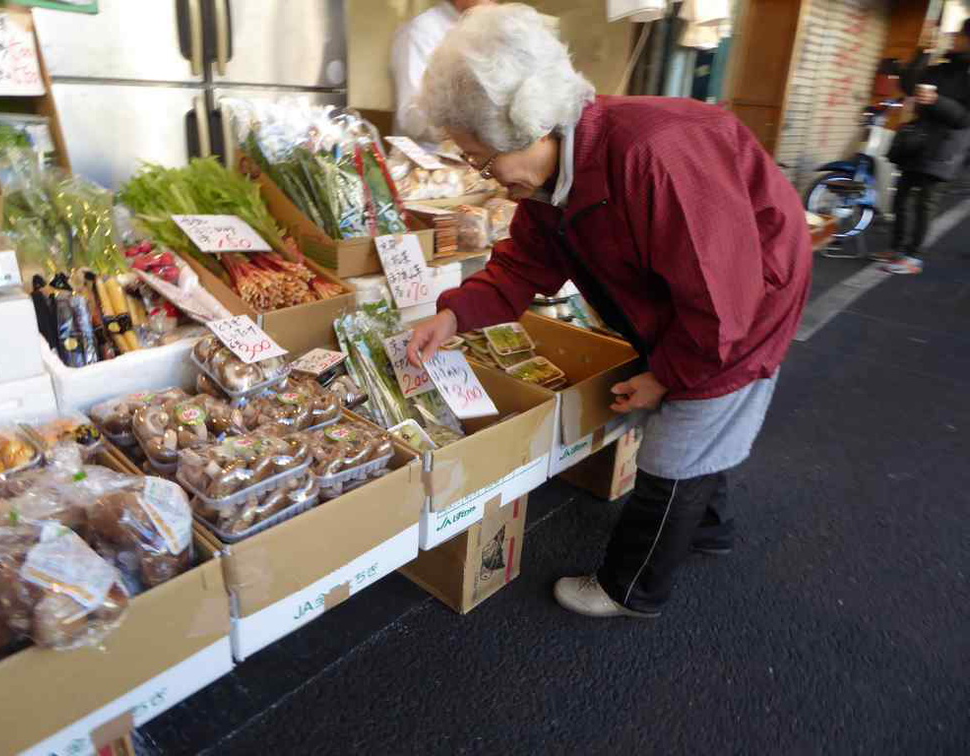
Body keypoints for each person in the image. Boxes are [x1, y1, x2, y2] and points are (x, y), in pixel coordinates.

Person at [406, 4, 812, 619]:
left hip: (747, 304)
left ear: (530, 127)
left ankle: (632, 587)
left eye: (482, 161)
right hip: (682, 304)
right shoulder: (549, 178)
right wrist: (454, 315)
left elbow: (720, 309)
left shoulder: (654, 156)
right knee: (702, 432)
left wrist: (665, 377)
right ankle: (710, 525)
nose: (485, 177)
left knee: (676, 448)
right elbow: (523, 265)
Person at [883, 20, 970, 274]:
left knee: (925, 202)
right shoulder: (943, 65)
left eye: (960, 34)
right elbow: (909, 85)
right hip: (919, 141)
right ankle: (898, 248)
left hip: (947, 147)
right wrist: (925, 53)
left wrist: (937, 100)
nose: (953, 37)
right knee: (901, 196)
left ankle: (913, 257)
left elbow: (966, 119)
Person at [390, 0, 494, 145]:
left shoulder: (492, 29)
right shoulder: (421, 31)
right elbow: (410, 118)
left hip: (479, 157)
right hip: (429, 160)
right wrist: (466, 129)